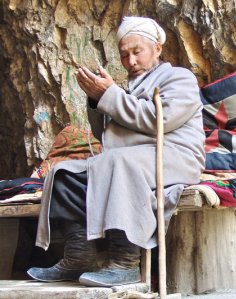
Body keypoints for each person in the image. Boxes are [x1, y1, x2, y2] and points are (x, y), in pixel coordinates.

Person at [27, 16, 205, 287]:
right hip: (129, 158)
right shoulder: (127, 88)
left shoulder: (179, 78)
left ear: (157, 49)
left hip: (174, 156)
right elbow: (106, 136)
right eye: (124, 55)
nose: (130, 61)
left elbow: (159, 120)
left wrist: (110, 95)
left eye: (137, 52)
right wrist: (97, 99)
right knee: (64, 174)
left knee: (119, 163)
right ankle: (78, 256)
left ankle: (124, 264)